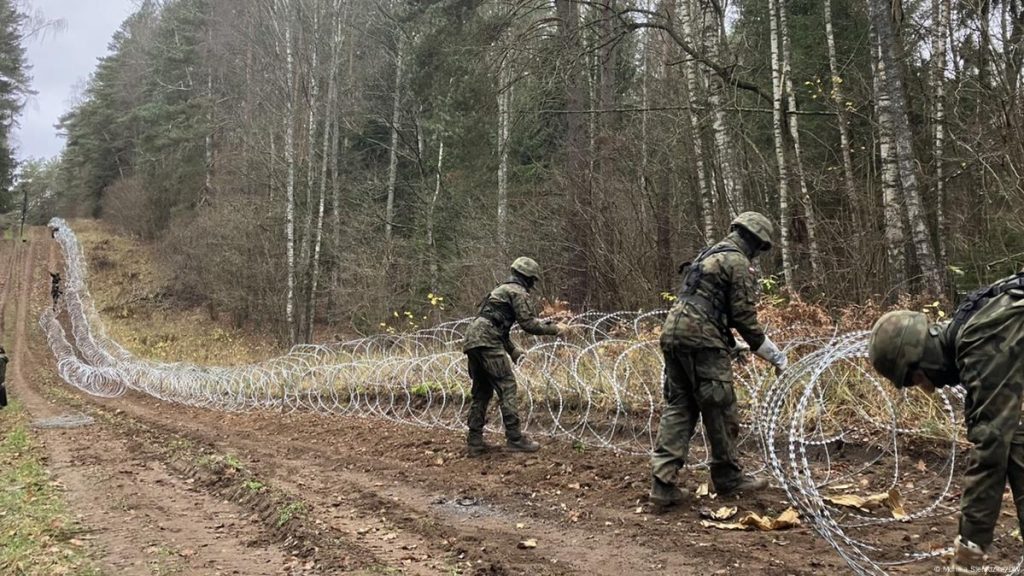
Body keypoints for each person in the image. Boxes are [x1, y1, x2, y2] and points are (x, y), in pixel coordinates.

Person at [868, 271, 1024, 572]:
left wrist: (969, 551)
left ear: (921, 358)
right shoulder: (974, 322)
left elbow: (991, 448)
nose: (929, 388)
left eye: (917, 378)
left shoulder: (979, 341)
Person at [649, 211, 788, 510]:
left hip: (674, 334)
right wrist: (774, 355)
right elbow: (743, 317)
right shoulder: (737, 262)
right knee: (720, 406)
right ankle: (728, 478)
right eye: (760, 248)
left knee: (679, 407)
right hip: (702, 340)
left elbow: (705, 307)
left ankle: (662, 484)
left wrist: (731, 344)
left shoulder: (707, 256)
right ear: (755, 241)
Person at [462, 257, 570, 456]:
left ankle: (474, 441)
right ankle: (515, 438)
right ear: (528, 278)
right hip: (488, 342)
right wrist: (556, 329)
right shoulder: (517, 292)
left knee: (482, 392)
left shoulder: (499, 291)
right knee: (507, 387)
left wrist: (512, 350)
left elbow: (496, 324)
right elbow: (528, 324)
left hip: (473, 341)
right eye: (533, 280)